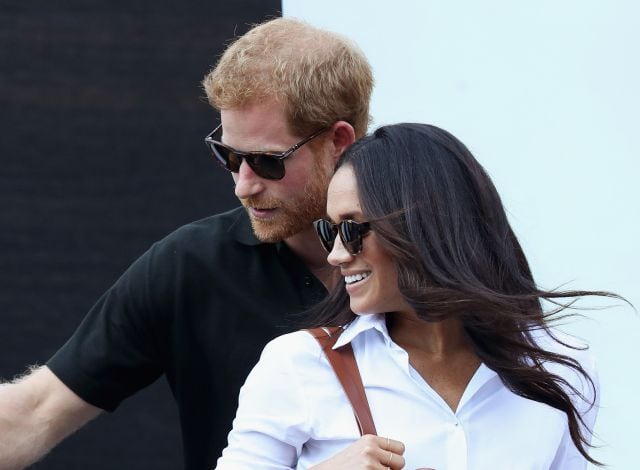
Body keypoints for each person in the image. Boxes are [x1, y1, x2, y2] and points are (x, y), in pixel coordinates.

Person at [0, 18, 373, 470]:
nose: (243, 185)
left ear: (338, 141)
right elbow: (34, 412)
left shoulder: (429, 258)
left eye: (265, 162)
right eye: (229, 156)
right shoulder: (193, 266)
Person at [216, 123, 616, 469]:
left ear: (423, 227)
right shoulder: (299, 366)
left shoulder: (561, 369)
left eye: (352, 229)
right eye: (330, 231)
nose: (337, 255)